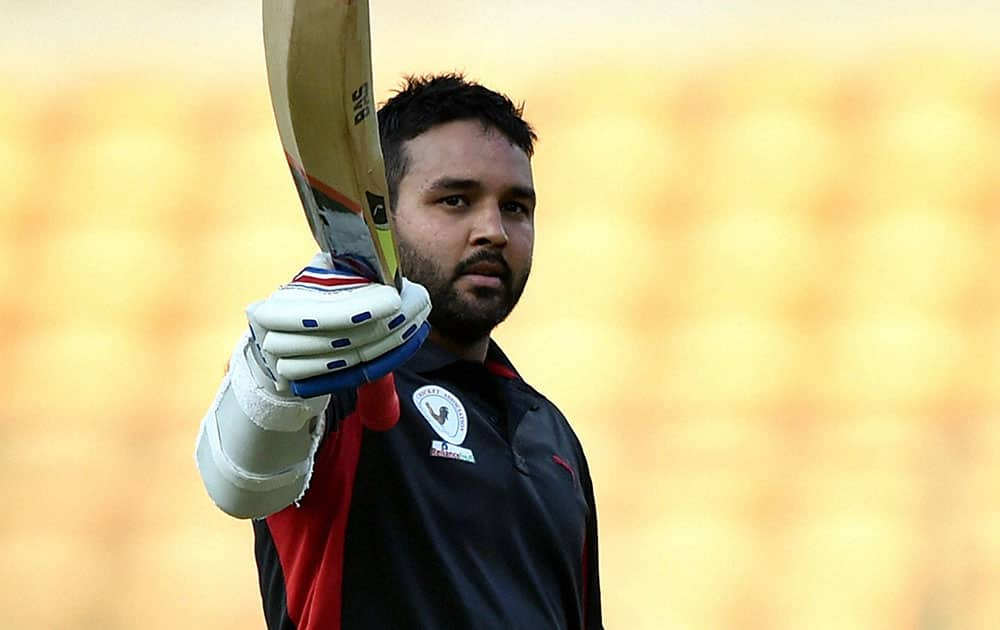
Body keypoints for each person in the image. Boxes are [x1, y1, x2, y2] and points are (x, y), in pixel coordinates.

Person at [195, 73, 603, 630]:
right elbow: (241, 476)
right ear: (381, 218)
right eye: (455, 200)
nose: (494, 231)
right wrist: (270, 377)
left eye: (515, 207)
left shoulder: (551, 436)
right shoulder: (338, 380)